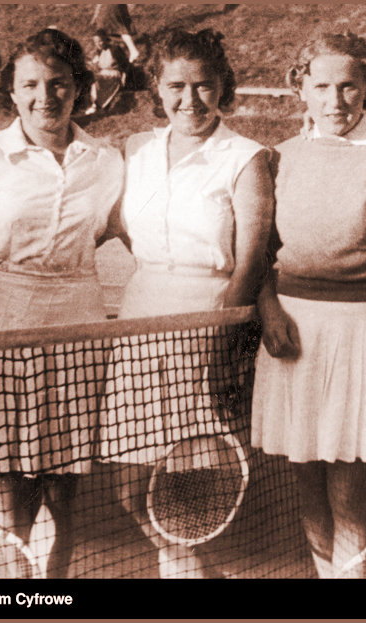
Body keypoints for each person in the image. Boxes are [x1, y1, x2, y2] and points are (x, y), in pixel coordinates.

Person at [0, 28, 125, 578]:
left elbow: (136, 235)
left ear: (79, 88)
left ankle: (55, 592)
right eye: (32, 85)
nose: (47, 96)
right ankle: (20, 595)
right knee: (11, 491)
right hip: (2, 324)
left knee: (65, 492)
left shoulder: (108, 161)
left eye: (59, 83)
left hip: (78, 326)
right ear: (13, 94)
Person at [98, 28, 273, 578]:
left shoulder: (247, 158)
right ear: (156, 85)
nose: (189, 100)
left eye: (204, 86)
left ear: (224, 87)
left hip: (208, 319)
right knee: (130, 477)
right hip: (141, 314)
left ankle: (189, 573)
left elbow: (251, 262)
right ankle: (188, 567)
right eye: (176, 85)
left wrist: (223, 341)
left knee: (194, 475)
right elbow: (119, 226)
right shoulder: (135, 149)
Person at [250, 32, 366, 579]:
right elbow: (259, 254)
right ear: (299, 87)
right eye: (321, 85)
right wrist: (268, 308)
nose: (335, 100)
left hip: (362, 331)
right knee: (305, 478)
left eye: (350, 86)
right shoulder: (279, 157)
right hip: (291, 334)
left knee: (349, 484)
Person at [84, 28, 129, 115]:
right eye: (96, 42)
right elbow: (97, 65)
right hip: (103, 74)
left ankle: (96, 105)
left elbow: (125, 64)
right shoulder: (99, 51)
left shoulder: (114, 49)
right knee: (90, 77)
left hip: (114, 74)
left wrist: (124, 76)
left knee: (96, 78)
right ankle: (92, 104)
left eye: (100, 41)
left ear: (105, 39)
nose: (98, 44)